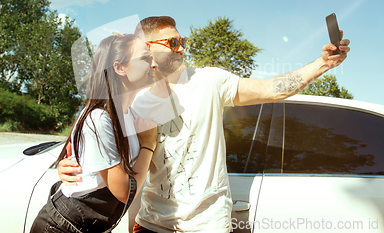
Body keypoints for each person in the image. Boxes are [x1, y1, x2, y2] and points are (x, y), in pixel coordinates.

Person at [58, 16, 351, 233]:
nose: (182, 48)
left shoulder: (209, 80)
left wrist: (322, 64)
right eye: (173, 43)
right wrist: (66, 164)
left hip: (207, 225)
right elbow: (102, 147)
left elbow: (271, 89)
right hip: (151, 223)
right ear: (147, 48)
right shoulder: (133, 98)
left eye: (182, 41)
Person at [30, 34, 158, 233]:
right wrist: (148, 144)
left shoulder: (128, 115)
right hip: (64, 227)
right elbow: (124, 192)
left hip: (90, 226)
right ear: (119, 67)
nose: (153, 64)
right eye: (145, 58)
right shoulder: (99, 118)